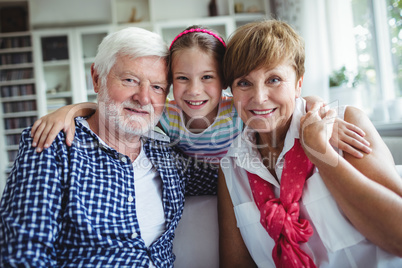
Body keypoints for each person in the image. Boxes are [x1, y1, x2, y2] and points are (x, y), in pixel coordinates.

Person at [0, 27, 218, 267]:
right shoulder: (52, 146)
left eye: (157, 87)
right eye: (129, 80)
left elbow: (228, 178)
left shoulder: (166, 154)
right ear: (96, 78)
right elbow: (23, 255)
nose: (144, 98)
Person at [30, 26, 371, 163]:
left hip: (236, 183)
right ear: (169, 84)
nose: (194, 91)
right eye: (181, 79)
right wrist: (73, 109)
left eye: (207, 77)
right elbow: (123, 107)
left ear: (224, 82)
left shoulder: (237, 109)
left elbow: (289, 103)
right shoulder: (168, 115)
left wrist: (316, 112)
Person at [218, 20, 402, 267]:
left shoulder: (346, 123)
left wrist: (322, 153)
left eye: (274, 79)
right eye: (244, 83)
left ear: (298, 84)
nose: (259, 98)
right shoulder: (231, 166)